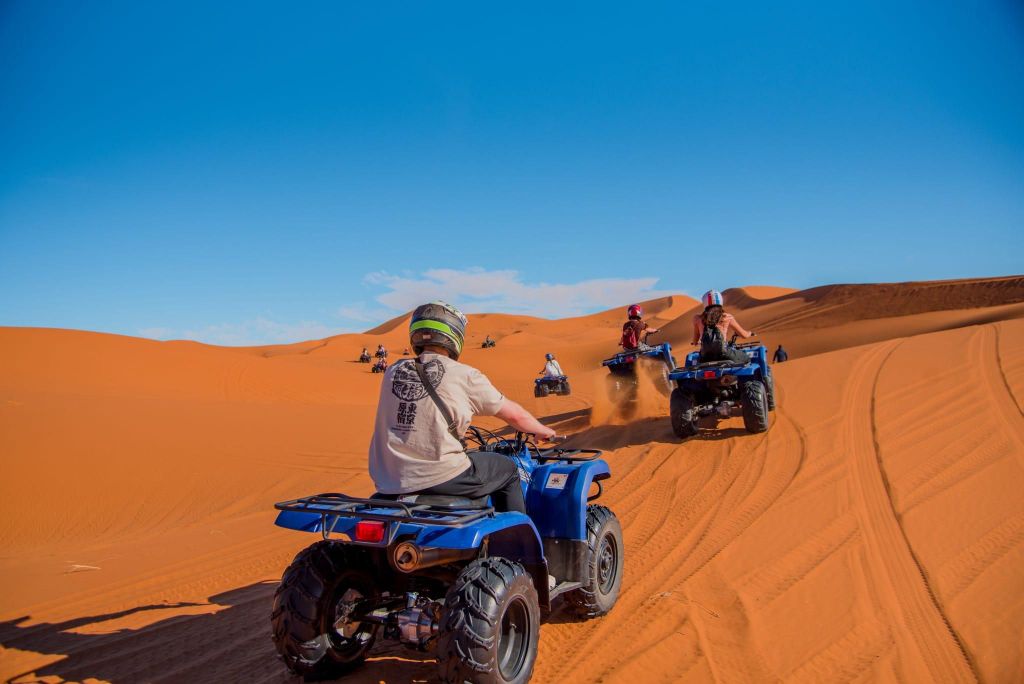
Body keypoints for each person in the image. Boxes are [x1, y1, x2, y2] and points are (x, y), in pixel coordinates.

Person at [368, 301, 556, 514]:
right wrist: (543, 430)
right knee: (509, 469)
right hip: (442, 475)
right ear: (454, 335)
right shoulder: (464, 375)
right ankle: (515, 543)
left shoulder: (392, 370)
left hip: (388, 480)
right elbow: (515, 416)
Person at [691, 290, 754, 364]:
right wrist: (750, 333)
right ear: (721, 301)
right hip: (724, 355)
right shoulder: (726, 317)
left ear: (705, 303)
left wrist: (695, 342)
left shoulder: (697, 319)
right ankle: (764, 376)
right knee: (747, 358)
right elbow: (744, 335)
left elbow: (695, 341)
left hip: (704, 358)